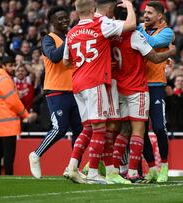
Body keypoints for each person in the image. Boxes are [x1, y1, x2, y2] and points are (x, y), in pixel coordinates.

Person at [63, 0, 136, 184]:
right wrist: (129, 6)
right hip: (94, 82)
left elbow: (65, 61)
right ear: (93, 9)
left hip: (77, 84)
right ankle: (94, 172)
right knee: (99, 129)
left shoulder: (71, 33)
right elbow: (131, 25)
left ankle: (72, 167)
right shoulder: (101, 24)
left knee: (87, 127)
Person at [29, 6, 83, 179]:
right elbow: (53, 56)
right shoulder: (48, 39)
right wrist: (69, 39)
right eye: (60, 18)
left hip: (75, 90)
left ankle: (73, 167)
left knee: (79, 130)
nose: (64, 21)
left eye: (66, 18)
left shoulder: (71, 38)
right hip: (56, 90)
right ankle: (35, 155)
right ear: (51, 22)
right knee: (59, 128)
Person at [136, 1, 174, 183]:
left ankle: (164, 167)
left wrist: (138, 30)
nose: (145, 15)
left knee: (159, 127)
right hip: (138, 85)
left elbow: (151, 43)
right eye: (145, 12)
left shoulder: (167, 32)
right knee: (140, 130)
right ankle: (151, 168)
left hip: (157, 85)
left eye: (150, 12)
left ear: (160, 15)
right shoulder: (140, 28)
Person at [0, 56, 33, 175]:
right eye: (10, 65)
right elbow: (13, 101)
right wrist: (25, 115)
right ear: (3, 66)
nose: (13, 68)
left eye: (13, 65)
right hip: (7, 125)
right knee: (9, 155)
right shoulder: (5, 80)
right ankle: (9, 177)